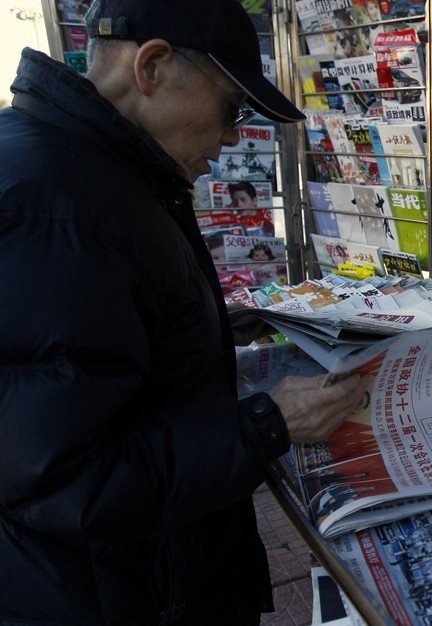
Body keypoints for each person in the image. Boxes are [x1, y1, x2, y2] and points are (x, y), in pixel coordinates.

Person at [0, 0, 370, 623]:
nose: (231, 138)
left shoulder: (94, 172)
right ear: (152, 67)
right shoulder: (57, 204)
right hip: (112, 596)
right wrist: (265, 425)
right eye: (231, 109)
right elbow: (61, 475)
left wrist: (212, 323)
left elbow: (98, 349)